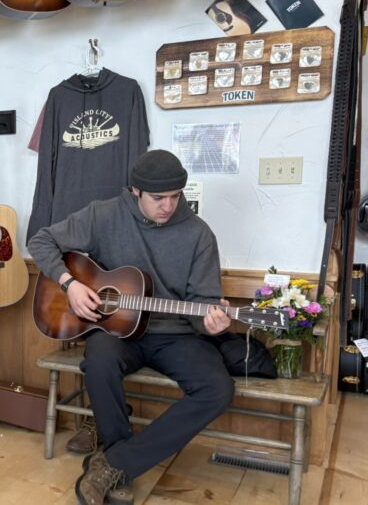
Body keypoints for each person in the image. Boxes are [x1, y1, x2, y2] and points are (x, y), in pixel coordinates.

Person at [28, 149, 234, 505]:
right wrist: (69, 284)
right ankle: (119, 460)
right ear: (136, 191)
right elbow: (40, 241)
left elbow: (203, 303)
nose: (168, 206)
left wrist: (212, 323)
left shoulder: (199, 234)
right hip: (117, 330)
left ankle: (116, 464)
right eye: (158, 198)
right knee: (99, 362)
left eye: (175, 197)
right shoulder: (104, 214)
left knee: (218, 389)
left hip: (176, 336)